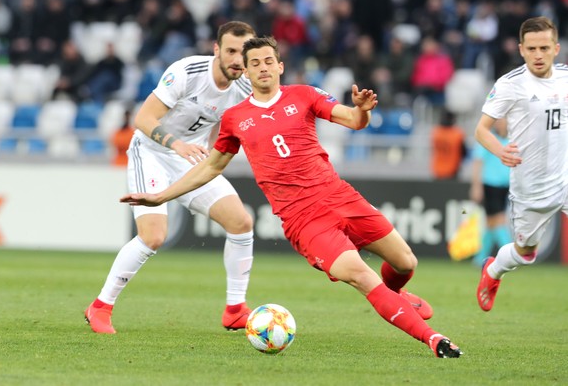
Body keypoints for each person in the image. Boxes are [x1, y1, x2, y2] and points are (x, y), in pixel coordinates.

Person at [121, 36, 463, 358]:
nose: (263, 67)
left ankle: (397, 295)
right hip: (305, 221)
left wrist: (363, 110)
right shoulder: (235, 118)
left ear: (280, 66)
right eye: (255, 63)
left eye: (269, 61)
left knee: (406, 263)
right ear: (248, 70)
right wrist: (161, 195)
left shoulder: (304, 94)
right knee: (361, 275)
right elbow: (210, 168)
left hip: (340, 196)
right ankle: (433, 339)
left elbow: (354, 121)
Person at [85, 21, 257, 334]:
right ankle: (100, 307)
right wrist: (177, 144)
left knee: (241, 222)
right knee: (153, 237)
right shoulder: (188, 72)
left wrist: (210, 151)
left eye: (243, 54)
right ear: (216, 49)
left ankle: (235, 309)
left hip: (191, 160)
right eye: (230, 51)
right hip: (151, 153)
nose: (236, 59)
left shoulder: (244, 87)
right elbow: (143, 118)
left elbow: (224, 121)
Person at [474, 16, 568, 312]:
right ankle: (492, 270)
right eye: (532, 49)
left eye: (544, 47)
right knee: (527, 252)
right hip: (531, 188)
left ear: (556, 48)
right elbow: (481, 130)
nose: (538, 55)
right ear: (521, 50)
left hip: (565, 177)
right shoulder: (510, 85)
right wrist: (501, 151)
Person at [469, 118, 511, 267]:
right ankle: (512, 255)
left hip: (506, 186)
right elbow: (477, 162)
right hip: (490, 185)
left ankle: (480, 258)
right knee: (498, 221)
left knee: (490, 223)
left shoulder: (512, 139)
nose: (501, 123)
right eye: (499, 120)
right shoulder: (487, 138)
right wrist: (476, 186)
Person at [430, 110, 468, 180]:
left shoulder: (435, 132)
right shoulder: (457, 134)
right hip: (452, 169)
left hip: (437, 169)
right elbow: (464, 153)